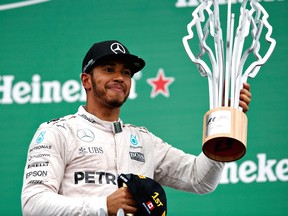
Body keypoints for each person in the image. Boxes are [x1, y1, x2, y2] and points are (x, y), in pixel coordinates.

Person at [21, 40, 251, 216]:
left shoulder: (143, 140)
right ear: (86, 80)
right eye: (109, 69)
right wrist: (103, 206)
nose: (120, 77)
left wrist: (224, 130)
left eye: (126, 72)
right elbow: (33, 203)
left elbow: (199, 180)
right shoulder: (58, 132)